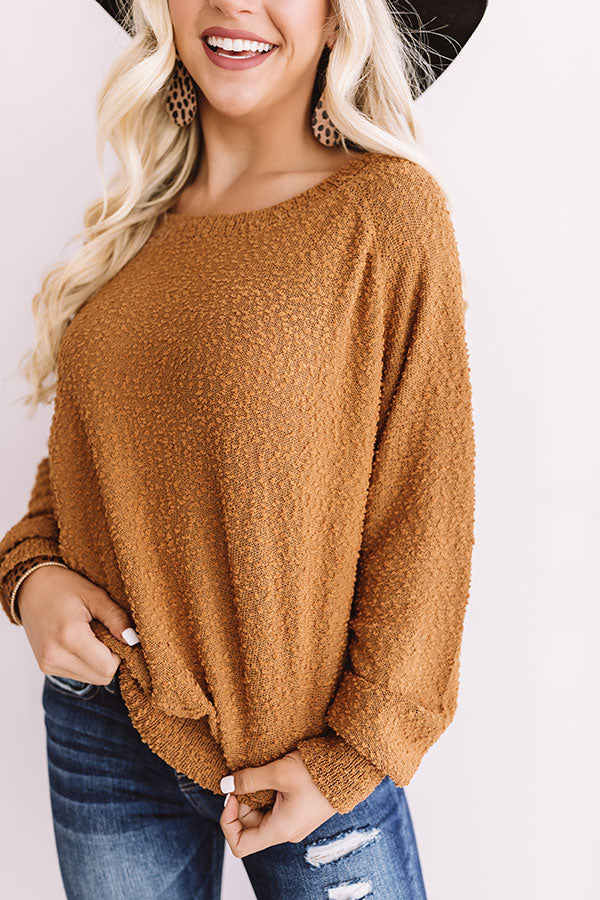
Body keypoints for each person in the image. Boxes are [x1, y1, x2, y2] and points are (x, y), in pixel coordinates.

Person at [0, 0, 486, 896]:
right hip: (101, 728)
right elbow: (88, 467)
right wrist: (31, 577)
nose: (233, 4)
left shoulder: (386, 214)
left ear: (340, 18)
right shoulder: (137, 220)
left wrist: (354, 755)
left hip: (311, 756)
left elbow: (427, 511)